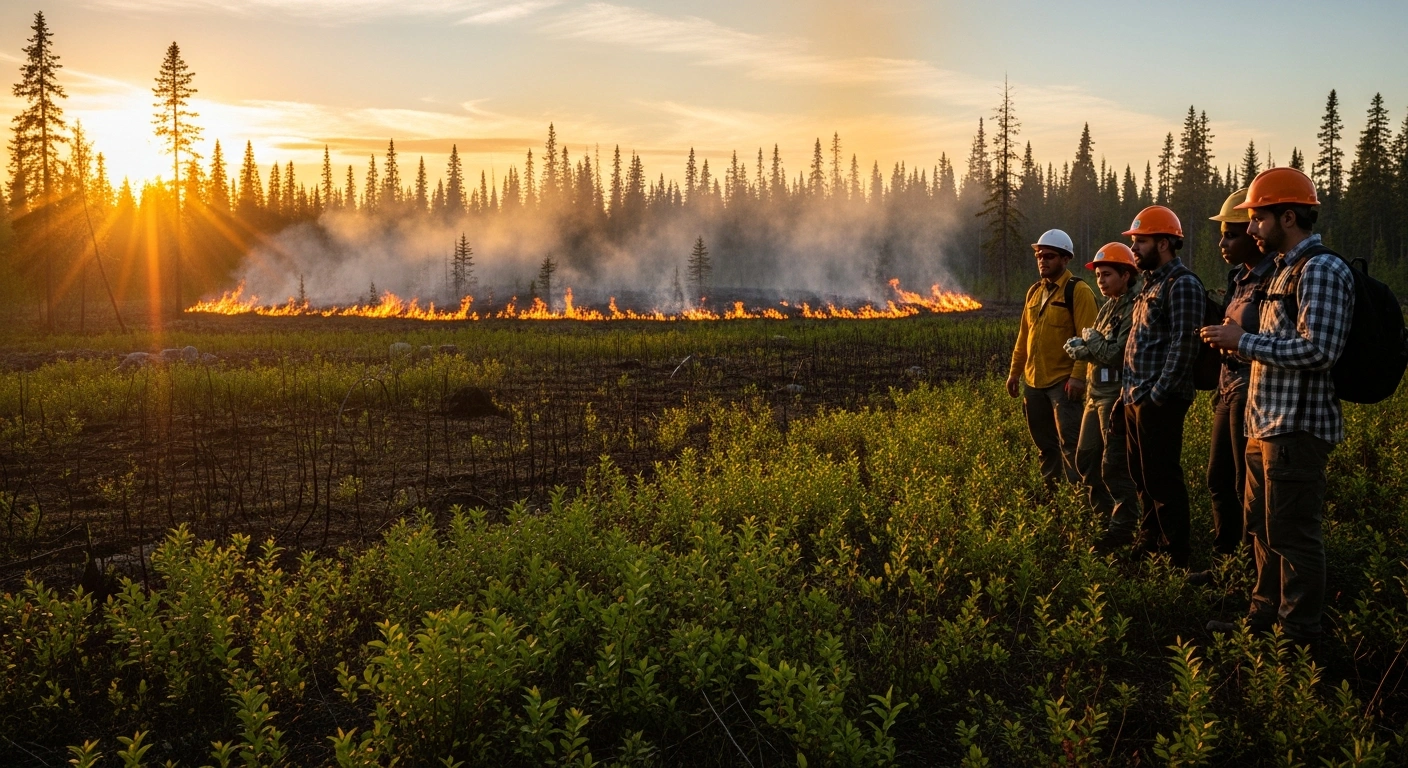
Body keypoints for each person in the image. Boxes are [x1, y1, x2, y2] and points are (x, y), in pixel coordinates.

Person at [1201, 167, 1353, 645]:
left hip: (1297, 428)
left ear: (1288, 216)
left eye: (1257, 219)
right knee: (1262, 528)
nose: (1249, 230)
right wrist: (1240, 344)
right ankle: (1263, 617)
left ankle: (1299, 633)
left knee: (1294, 534)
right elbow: (1277, 343)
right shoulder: (1284, 269)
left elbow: (1319, 350)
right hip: (1263, 424)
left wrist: (1244, 341)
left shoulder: (1322, 270)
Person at [1189, 188, 1274, 587]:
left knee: (1246, 488)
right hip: (1227, 388)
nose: (1223, 243)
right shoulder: (1239, 278)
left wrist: (1236, 339)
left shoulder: (1274, 279)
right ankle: (1227, 565)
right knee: (1218, 479)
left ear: (1254, 234)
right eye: (1222, 235)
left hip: (1251, 390)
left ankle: (1248, 576)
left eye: (1231, 234)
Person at [1120, 205, 1206, 568]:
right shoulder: (1150, 284)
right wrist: (1127, 396)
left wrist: (1157, 396)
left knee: (1163, 479)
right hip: (1135, 396)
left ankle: (1176, 557)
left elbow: (1185, 343)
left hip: (1159, 400)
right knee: (1142, 477)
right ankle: (1150, 541)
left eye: (1141, 241)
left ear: (1165, 243)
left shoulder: (1182, 284)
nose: (1134, 248)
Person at [1007, 229, 1099, 491]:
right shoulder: (1034, 292)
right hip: (1033, 384)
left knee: (1071, 445)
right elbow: (1024, 336)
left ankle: (1077, 501)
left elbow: (1088, 339)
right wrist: (1015, 373)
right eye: (1039, 255)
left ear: (1065, 259)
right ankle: (1053, 499)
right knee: (1046, 447)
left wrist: (1077, 377)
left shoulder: (1077, 291)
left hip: (1063, 384)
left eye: (1049, 255)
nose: (1042, 260)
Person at [1063, 243, 1141, 548]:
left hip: (1115, 395)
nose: (1101, 281)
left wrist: (1091, 343)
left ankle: (1122, 530)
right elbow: (1098, 348)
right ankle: (1104, 517)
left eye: (1107, 274)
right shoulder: (1107, 307)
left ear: (1126, 274)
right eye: (1098, 276)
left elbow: (1117, 353)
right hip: (1095, 394)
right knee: (1086, 459)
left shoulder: (1134, 307)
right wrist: (1084, 348)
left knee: (1114, 465)